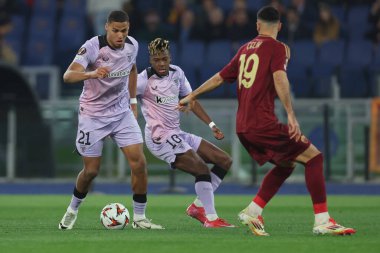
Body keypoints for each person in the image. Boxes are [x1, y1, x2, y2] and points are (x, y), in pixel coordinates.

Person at [179, 6, 356, 236]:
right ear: (280, 26)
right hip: (263, 123)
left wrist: (193, 95)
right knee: (314, 158)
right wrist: (291, 114)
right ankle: (323, 220)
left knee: (287, 163)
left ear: (257, 25)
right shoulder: (278, 48)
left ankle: (254, 210)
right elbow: (280, 78)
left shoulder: (244, 50)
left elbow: (219, 77)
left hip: (243, 126)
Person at [58, 10, 163, 230]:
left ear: (129, 28)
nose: (120, 35)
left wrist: (133, 102)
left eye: (124, 31)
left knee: (139, 162)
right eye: (115, 30)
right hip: (92, 115)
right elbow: (68, 75)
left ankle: (140, 218)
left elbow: (132, 69)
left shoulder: (132, 45)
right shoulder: (92, 47)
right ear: (107, 27)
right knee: (91, 171)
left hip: (120, 112)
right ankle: (72, 210)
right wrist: (91, 74)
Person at [137, 38, 234, 228]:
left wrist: (211, 124)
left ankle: (198, 206)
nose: (162, 63)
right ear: (150, 60)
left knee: (224, 160)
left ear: (169, 57)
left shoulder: (177, 73)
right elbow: (125, 97)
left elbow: (192, 100)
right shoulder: (143, 80)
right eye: (157, 60)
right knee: (201, 169)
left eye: (164, 58)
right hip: (159, 138)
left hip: (176, 133)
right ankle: (212, 219)